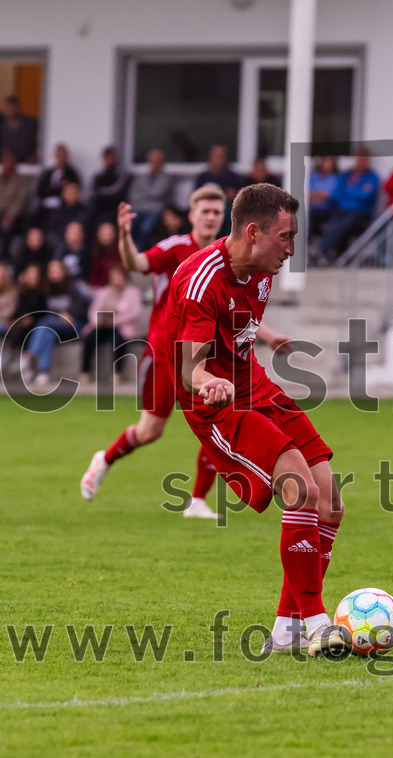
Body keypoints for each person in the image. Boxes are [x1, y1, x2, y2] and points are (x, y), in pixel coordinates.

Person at [164, 182, 346, 657]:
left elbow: (238, 315)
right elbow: (188, 368)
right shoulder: (201, 278)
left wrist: (265, 336)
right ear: (252, 232)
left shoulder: (261, 270)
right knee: (299, 487)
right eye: (285, 237)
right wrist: (210, 383)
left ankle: (286, 632)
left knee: (330, 499)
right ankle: (318, 624)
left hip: (255, 384)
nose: (292, 248)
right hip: (215, 404)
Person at [79, 185, 231, 519]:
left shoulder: (227, 256)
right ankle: (104, 459)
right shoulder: (176, 247)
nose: (210, 217)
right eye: (204, 211)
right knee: (150, 431)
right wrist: (124, 235)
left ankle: (198, 501)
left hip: (201, 355)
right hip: (163, 354)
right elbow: (136, 262)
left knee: (216, 421)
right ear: (192, 216)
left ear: (224, 217)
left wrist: (268, 333)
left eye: (216, 212)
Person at [20, 258, 91, 385]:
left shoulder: (73, 286)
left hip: (74, 326)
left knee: (43, 323)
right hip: (55, 327)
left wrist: (71, 315)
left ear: (63, 271)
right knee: (46, 331)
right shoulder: (46, 290)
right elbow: (40, 310)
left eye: (56, 270)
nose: (53, 273)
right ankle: (43, 372)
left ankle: (29, 355)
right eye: (51, 271)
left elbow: (81, 309)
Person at [80, 264, 142, 383]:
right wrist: (99, 321)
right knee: (89, 338)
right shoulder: (104, 292)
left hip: (122, 327)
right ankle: (85, 371)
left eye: (119, 276)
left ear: (125, 277)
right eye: (114, 276)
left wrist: (114, 321)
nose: (116, 279)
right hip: (102, 326)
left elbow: (133, 312)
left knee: (119, 341)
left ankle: (117, 373)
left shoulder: (133, 292)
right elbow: (93, 310)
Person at [319, 147, 379, 262]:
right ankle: (328, 253)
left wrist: (347, 191)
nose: (361, 162)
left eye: (364, 160)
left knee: (342, 224)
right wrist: (355, 190)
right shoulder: (346, 175)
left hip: (361, 212)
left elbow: (365, 196)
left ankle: (323, 251)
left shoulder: (372, 177)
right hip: (341, 209)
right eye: (359, 159)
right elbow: (336, 194)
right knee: (331, 221)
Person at [127, 148, 176, 250]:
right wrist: (147, 196)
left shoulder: (167, 178)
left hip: (155, 210)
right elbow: (133, 194)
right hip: (138, 208)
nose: (155, 163)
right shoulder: (141, 177)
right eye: (152, 160)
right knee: (128, 228)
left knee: (145, 228)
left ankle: (142, 253)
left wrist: (144, 194)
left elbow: (158, 192)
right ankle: (133, 251)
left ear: (162, 162)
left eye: (158, 160)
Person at [0, 148, 31, 260]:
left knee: (6, 227)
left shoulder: (21, 180)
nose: (7, 165)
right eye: (4, 162)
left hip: (15, 215)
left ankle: (4, 257)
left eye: (9, 162)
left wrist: (10, 215)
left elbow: (20, 200)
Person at [35, 143, 81, 218]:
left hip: (63, 207)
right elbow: (40, 190)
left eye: (63, 155)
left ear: (67, 156)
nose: (61, 158)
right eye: (58, 155)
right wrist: (57, 188)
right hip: (45, 205)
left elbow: (74, 191)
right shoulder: (48, 173)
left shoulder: (72, 173)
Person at [91, 146, 132, 226]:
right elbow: (94, 192)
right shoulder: (99, 175)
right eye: (106, 158)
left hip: (116, 207)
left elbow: (118, 192)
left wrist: (103, 191)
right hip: (100, 208)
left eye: (110, 157)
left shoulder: (121, 174)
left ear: (115, 158)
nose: (108, 160)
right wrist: (109, 190)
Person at [0, 95, 39, 165]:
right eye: (8, 107)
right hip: (9, 165)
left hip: (29, 165)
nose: (10, 111)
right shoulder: (2, 127)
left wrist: (35, 156)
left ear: (18, 108)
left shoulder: (31, 124)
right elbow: (3, 147)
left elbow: (40, 142)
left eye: (13, 108)